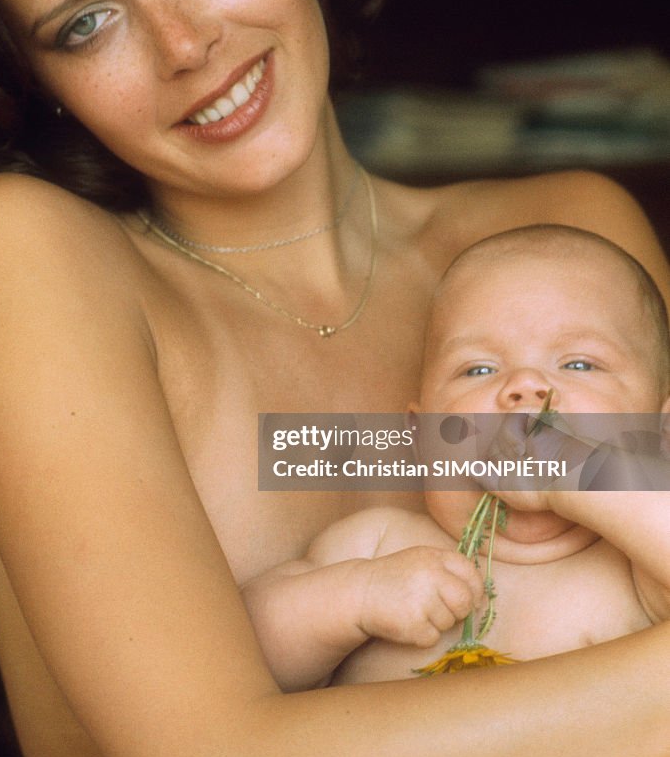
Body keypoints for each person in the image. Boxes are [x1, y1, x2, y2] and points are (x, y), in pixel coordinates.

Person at [0, 0, 669, 757]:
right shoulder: (27, 259)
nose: (185, 45)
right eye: (86, 23)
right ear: (38, 79)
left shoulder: (562, 237)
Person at [242, 225, 670, 692]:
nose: (525, 387)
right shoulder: (381, 544)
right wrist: (357, 598)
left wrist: (577, 473)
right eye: (479, 369)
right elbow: (239, 661)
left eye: (579, 364)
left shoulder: (639, 574)